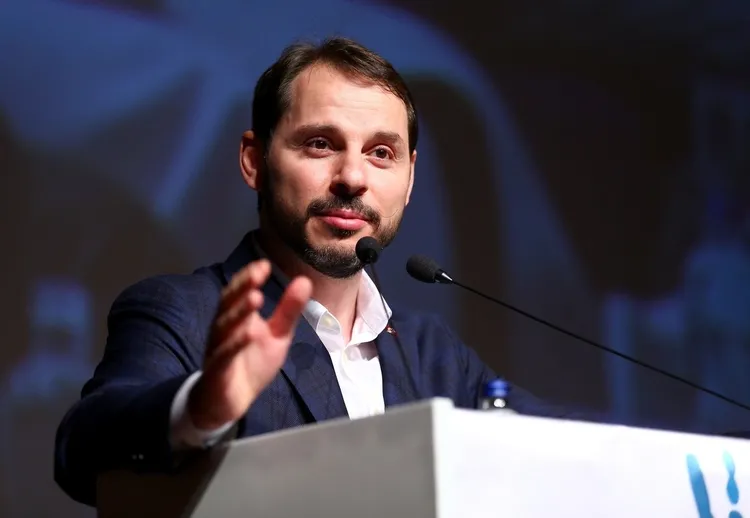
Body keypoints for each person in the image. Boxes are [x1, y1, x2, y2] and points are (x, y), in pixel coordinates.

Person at [53, 36, 579, 507]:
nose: (352, 177)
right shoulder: (182, 312)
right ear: (254, 160)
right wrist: (202, 407)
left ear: (410, 179)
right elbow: (80, 449)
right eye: (321, 144)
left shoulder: (432, 353)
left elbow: (568, 451)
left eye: (381, 153)